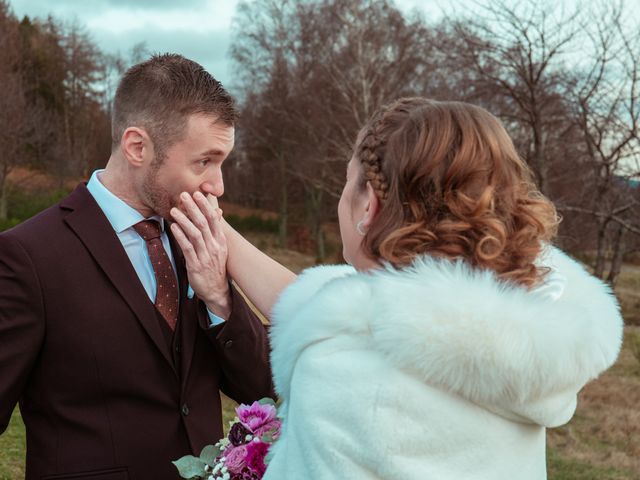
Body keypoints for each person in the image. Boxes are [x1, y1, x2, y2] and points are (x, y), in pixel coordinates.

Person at [172, 97, 623, 479]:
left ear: (370, 204)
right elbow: (328, 305)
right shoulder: (519, 332)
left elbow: (343, 328)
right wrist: (216, 227)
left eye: (348, 184)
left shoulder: (346, 378)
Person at [0, 54, 272, 480]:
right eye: (204, 161)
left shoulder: (198, 238)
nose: (218, 186)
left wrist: (218, 297)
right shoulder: (27, 256)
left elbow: (264, 388)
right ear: (137, 146)